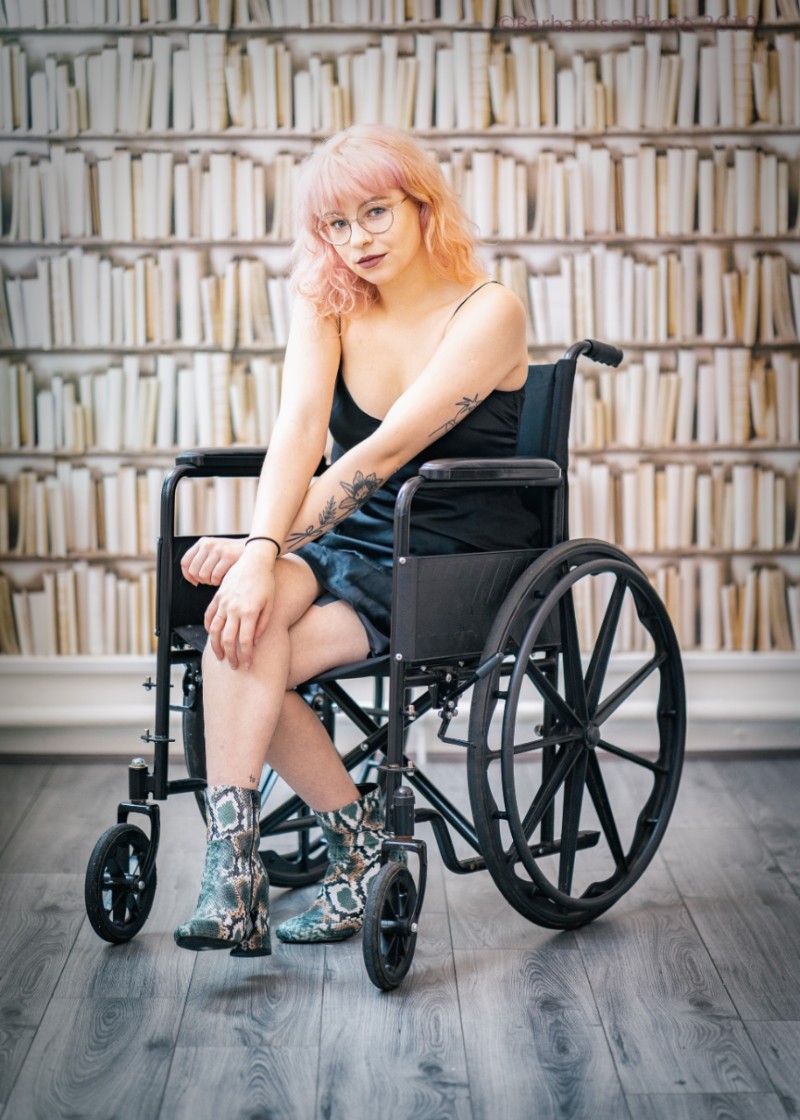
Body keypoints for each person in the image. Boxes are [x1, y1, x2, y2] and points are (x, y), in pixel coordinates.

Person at [173, 123, 537, 957]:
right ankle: (237, 876)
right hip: (351, 534)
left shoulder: (489, 310)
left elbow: (381, 453)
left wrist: (261, 545)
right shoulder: (329, 296)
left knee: (251, 633)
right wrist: (262, 551)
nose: (356, 239)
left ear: (421, 205)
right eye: (336, 224)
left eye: (375, 213)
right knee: (237, 628)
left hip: (450, 554)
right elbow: (300, 430)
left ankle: (355, 852)